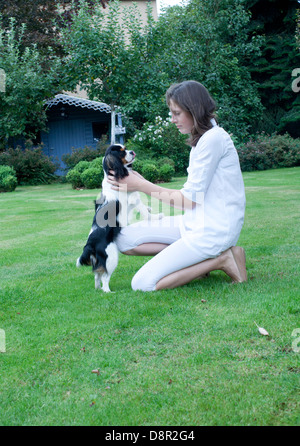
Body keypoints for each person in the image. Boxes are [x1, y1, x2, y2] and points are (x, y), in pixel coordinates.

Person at [107, 80, 247, 291]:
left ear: (195, 110)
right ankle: (198, 261)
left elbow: (189, 200)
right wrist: (139, 182)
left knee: (142, 283)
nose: (172, 119)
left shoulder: (213, 140)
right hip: (194, 222)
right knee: (123, 239)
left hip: (213, 230)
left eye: (177, 113)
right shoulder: (202, 139)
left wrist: (140, 185)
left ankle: (222, 259)